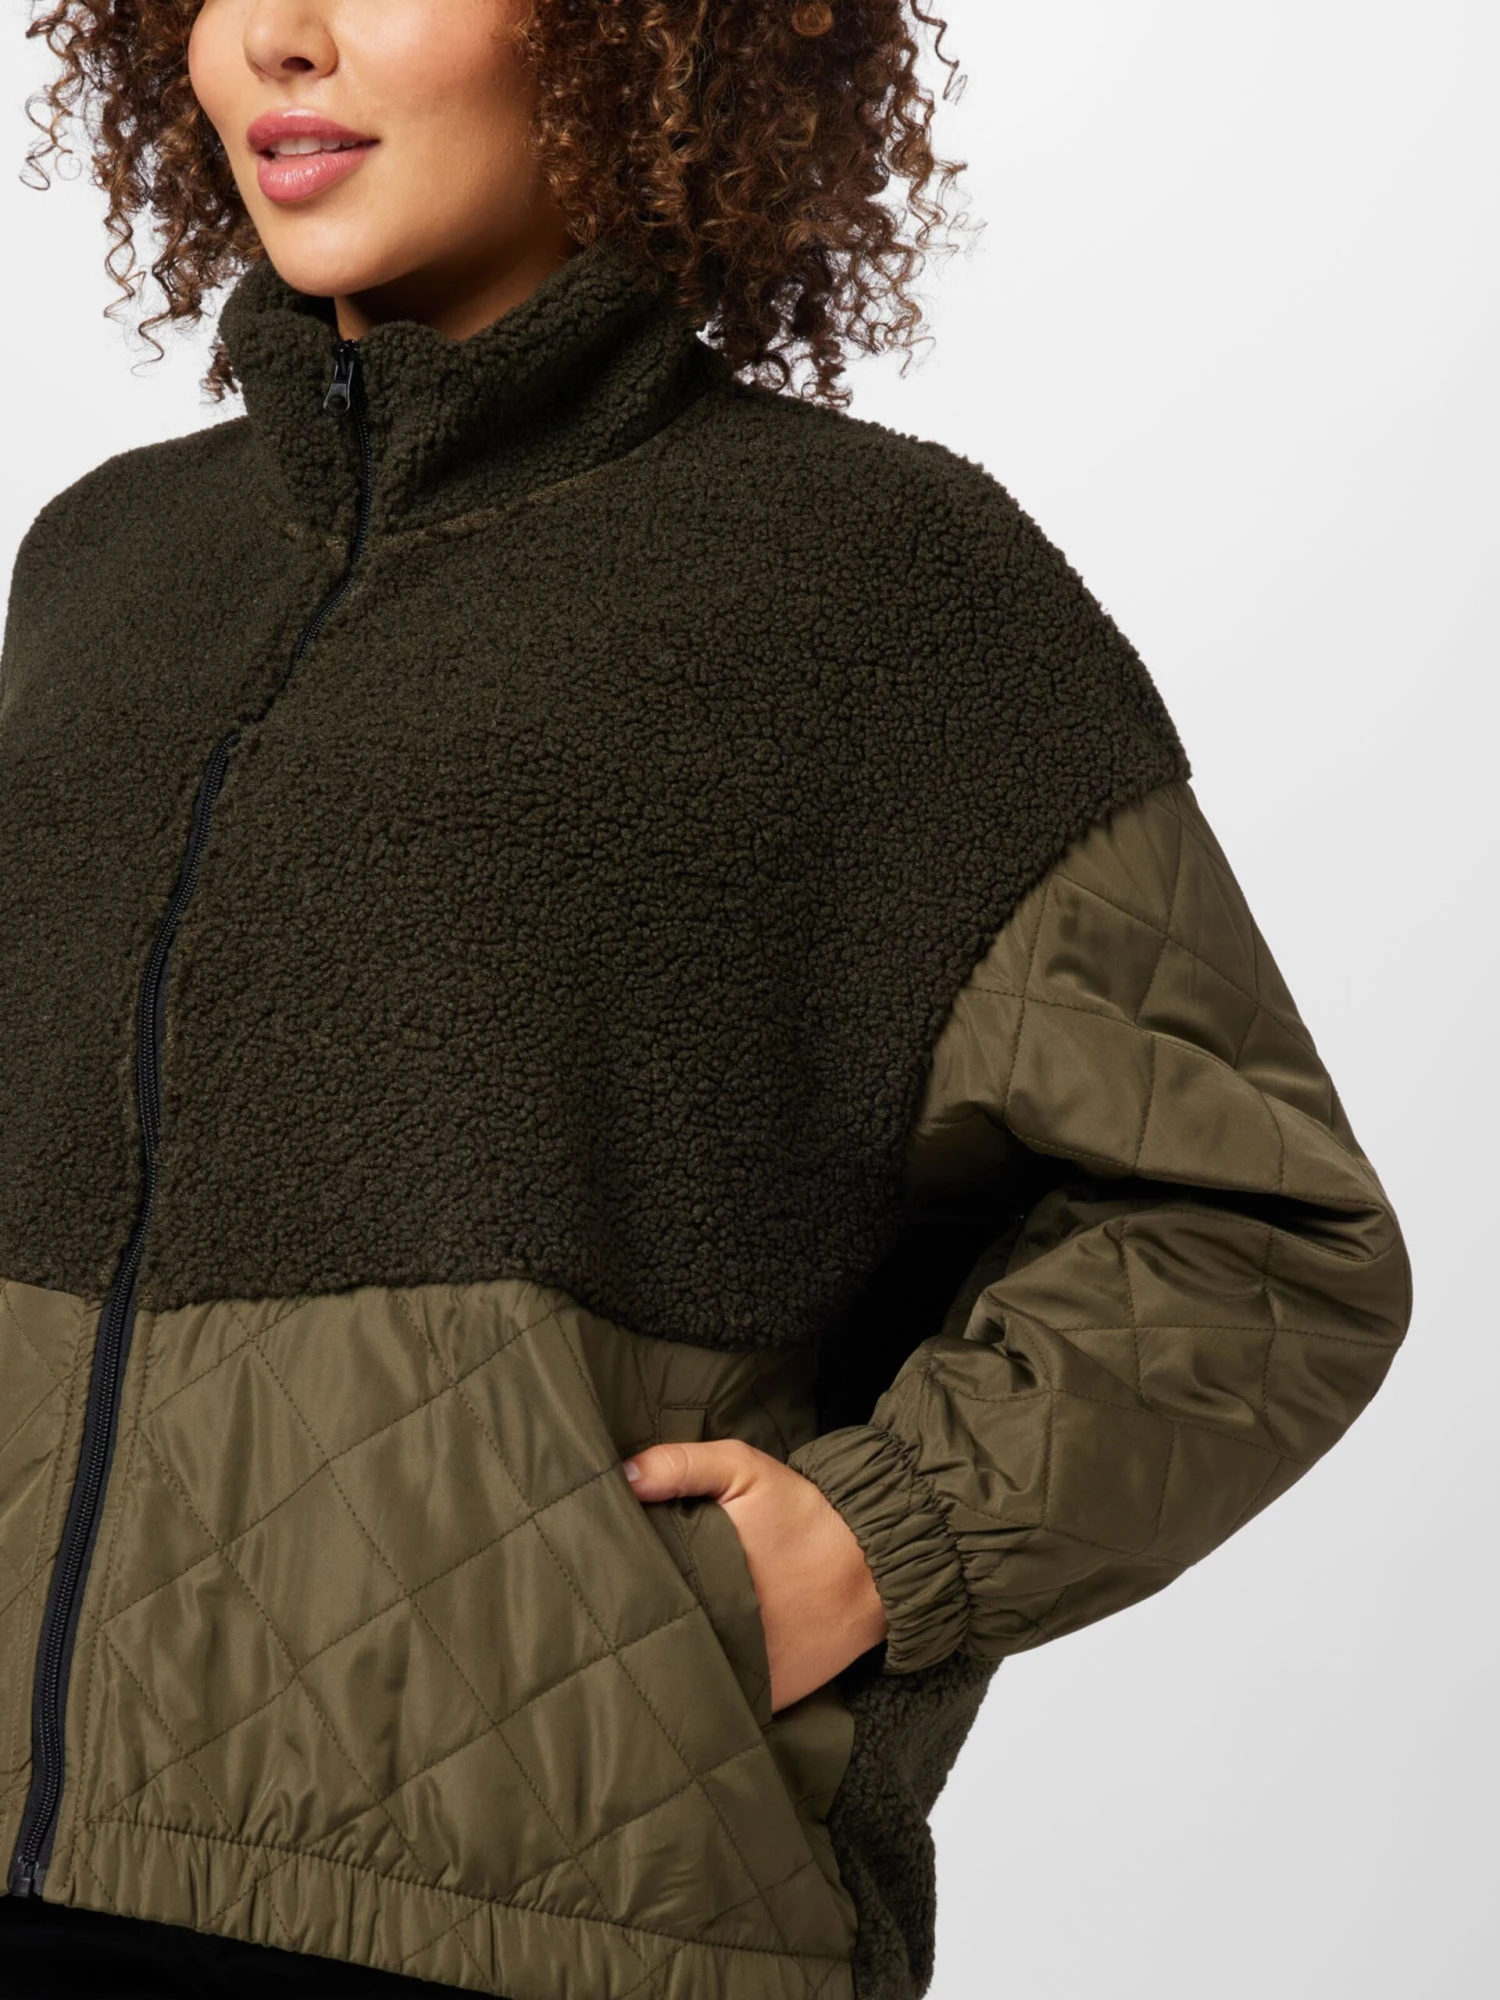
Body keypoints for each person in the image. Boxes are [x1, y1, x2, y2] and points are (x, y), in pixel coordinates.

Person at [0, 3, 1412, 1997]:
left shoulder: (881, 584)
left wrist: (873, 1544)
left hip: (557, 1910)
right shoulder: (106, 563)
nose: (282, 42)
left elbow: (1259, 1240)